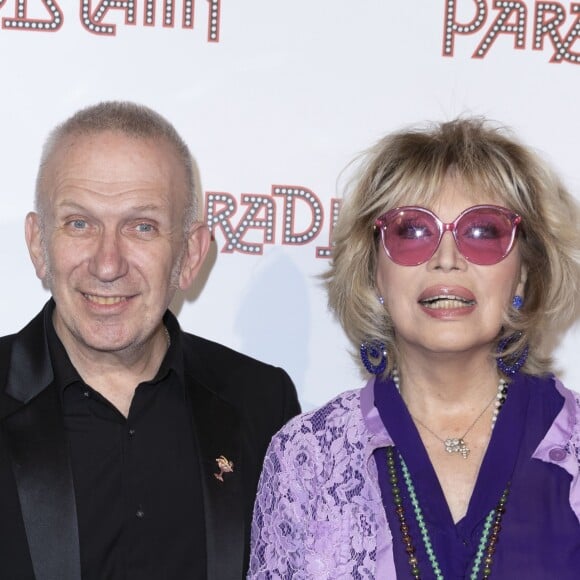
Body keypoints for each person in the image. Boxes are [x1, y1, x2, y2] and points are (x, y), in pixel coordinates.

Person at [249, 117, 580, 578]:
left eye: (483, 232)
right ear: (374, 271)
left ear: (523, 271)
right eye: (413, 232)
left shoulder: (572, 444)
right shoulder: (307, 458)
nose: (447, 259)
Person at [0, 101, 300, 580]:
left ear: (189, 254)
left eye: (142, 226)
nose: (107, 263)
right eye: (80, 223)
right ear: (38, 245)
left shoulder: (263, 406)